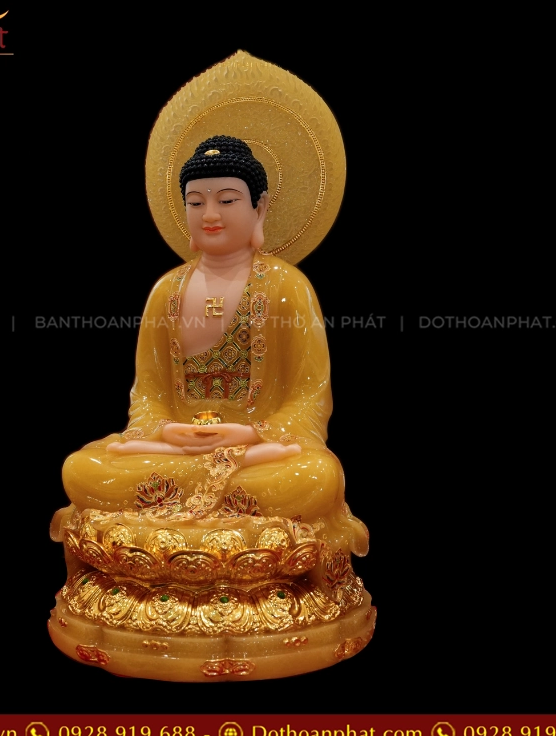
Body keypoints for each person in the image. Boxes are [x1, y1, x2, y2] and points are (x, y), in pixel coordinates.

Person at [59, 134, 367, 554]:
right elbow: (148, 394)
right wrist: (168, 430)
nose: (209, 214)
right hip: (174, 450)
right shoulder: (166, 291)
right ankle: (219, 514)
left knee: (314, 478)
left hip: (257, 453)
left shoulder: (287, 288)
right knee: (82, 469)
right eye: (195, 202)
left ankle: (174, 518)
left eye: (226, 200)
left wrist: (249, 434)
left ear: (259, 207)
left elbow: (310, 397)